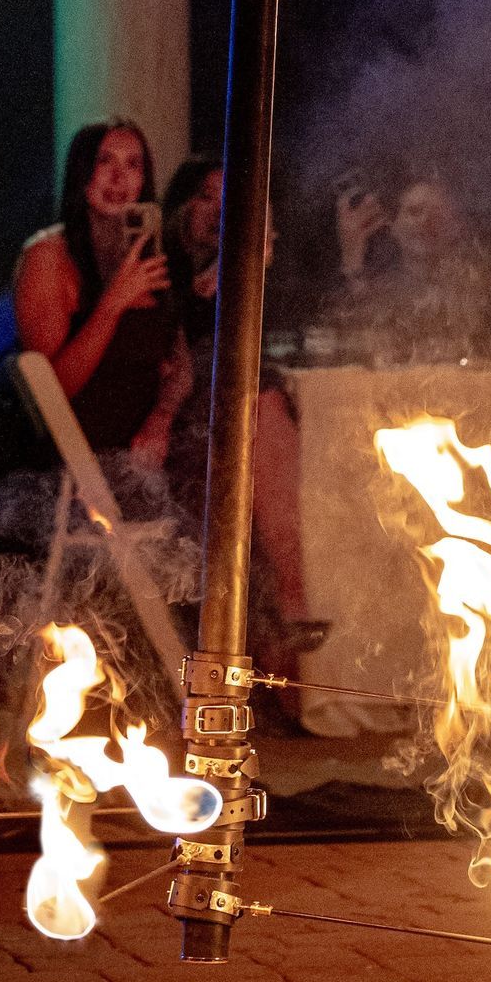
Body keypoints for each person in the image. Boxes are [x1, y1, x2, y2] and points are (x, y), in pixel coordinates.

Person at [156, 152, 309, 643]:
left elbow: (296, 340)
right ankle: (293, 600)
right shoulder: (157, 273)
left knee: (268, 409)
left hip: (241, 423)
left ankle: (296, 611)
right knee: (260, 408)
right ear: (178, 206)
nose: (219, 211)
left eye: (231, 200)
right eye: (205, 197)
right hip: (186, 433)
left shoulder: (246, 276)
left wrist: (250, 279)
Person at [12, 118, 181, 460]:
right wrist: (112, 304)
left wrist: (161, 419)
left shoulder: (150, 250)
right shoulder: (48, 255)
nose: (119, 178)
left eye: (133, 165)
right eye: (105, 162)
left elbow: (179, 364)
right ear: (81, 172)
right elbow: (51, 394)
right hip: (83, 460)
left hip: (152, 442)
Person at [332, 172, 491, 367]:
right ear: (394, 225)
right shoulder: (377, 291)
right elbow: (356, 347)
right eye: (414, 211)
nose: (425, 222)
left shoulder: (477, 289)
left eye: (438, 215)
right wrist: (352, 255)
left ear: (457, 227)